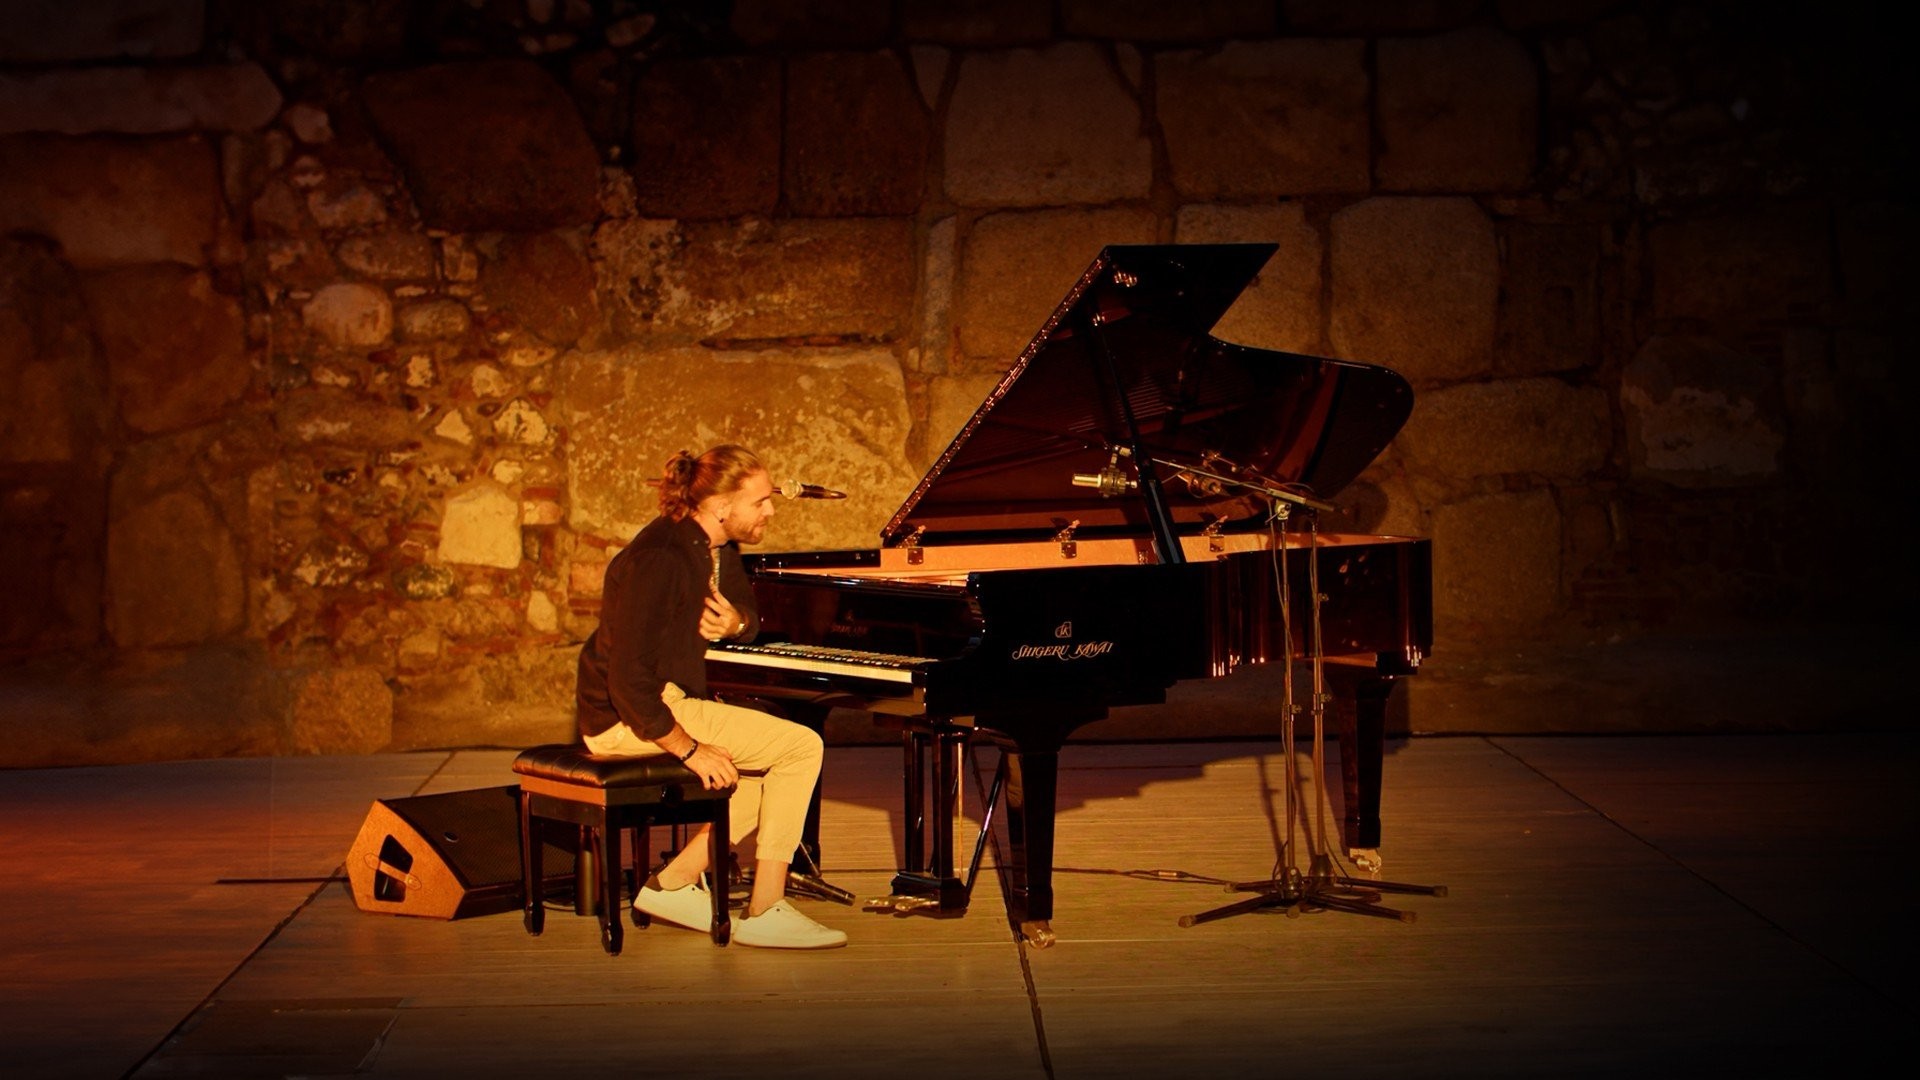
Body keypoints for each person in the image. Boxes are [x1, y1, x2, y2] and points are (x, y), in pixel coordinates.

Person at [574, 444, 846, 949]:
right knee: (800, 747)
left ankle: (673, 884)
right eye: (760, 501)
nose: (771, 509)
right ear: (722, 506)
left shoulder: (716, 548)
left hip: (662, 699)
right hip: (625, 715)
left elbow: (749, 614)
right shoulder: (660, 557)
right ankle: (765, 909)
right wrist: (690, 749)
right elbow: (627, 679)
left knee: (757, 777)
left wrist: (736, 623)